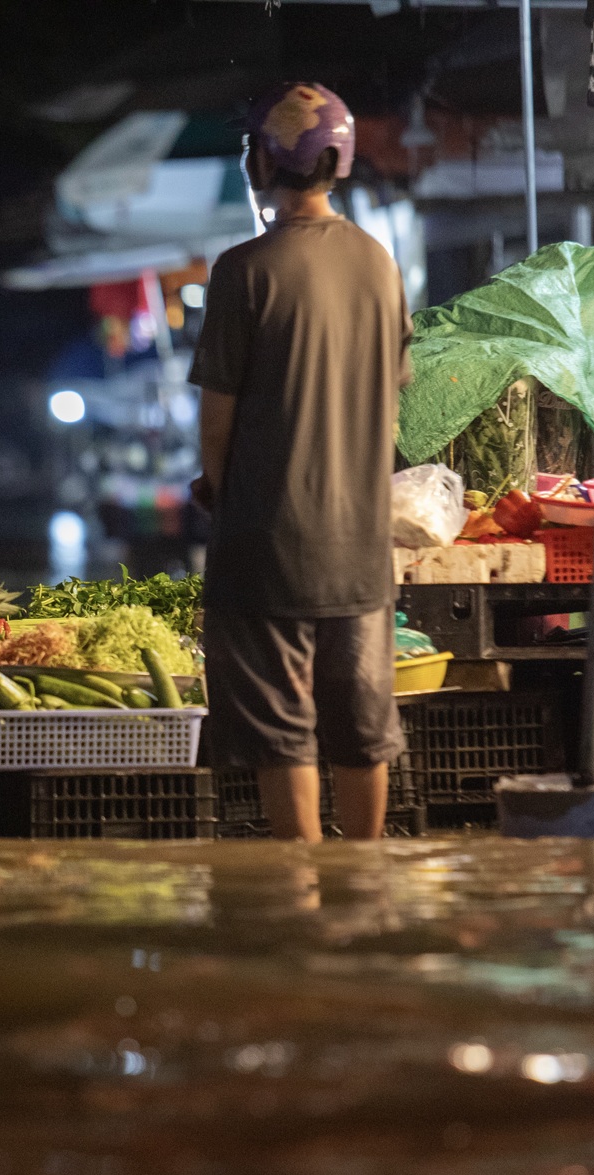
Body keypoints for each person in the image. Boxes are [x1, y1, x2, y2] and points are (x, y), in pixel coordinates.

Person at [188, 82, 413, 841]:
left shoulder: (243, 270)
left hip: (267, 544)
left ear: (265, 159)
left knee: (284, 730)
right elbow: (389, 392)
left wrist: (221, 493)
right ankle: (364, 883)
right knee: (361, 722)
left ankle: (306, 897)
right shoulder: (381, 265)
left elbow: (215, 422)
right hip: (360, 546)